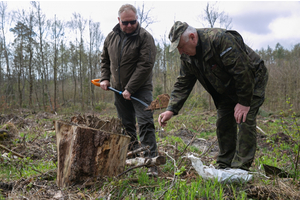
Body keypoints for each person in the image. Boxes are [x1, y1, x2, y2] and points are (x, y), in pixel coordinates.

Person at [158, 21, 268, 171]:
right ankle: (224, 164)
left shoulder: (219, 40)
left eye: (181, 47)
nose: (180, 52)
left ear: (192, 37)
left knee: (244, 119)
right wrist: (171, 109)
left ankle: (240, 168)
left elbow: (243, 71)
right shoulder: (187, 56)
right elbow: (183, 82)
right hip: (225, 86)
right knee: (223, 121)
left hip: (251, 79)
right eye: (178, 49)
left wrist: (243, 102)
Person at [99, 4, 158, 176]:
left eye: (133, 22)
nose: (130, 25)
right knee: (126, 126)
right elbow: (105, 59)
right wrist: (105, 78)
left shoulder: (145, 37)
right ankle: (132, 161)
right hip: (118, 90)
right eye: (126, 23)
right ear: (119, 20)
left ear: (137, 19)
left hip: (141, 89)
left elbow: (145, 65)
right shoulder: (111, 37)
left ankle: (150, 163)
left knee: (145, 123)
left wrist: (130, 88)